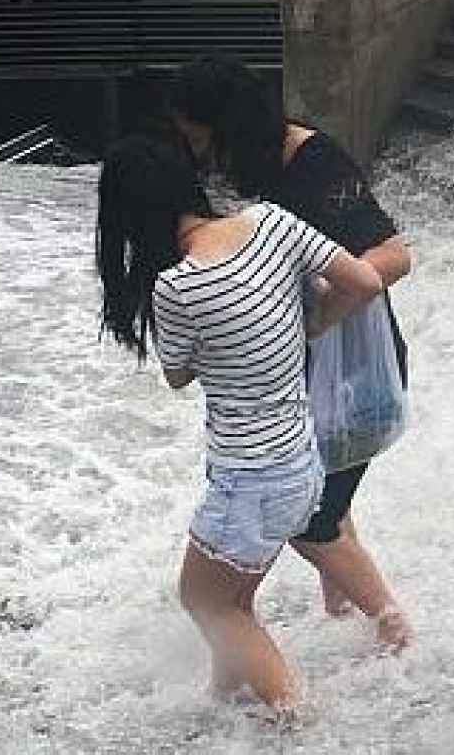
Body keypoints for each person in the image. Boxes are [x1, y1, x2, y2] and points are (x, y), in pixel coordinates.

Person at [96, 135, 382, 718]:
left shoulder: (176, 286)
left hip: (250, 479)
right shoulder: (273, 222)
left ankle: (298, 722)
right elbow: (366, 282)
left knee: (204, 602)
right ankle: (224, 706)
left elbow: (178, 374)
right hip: (300, 463)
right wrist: (311, 324)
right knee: (236, 602)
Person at [171, 56, 416, 651]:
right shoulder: (248, 160)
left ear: (224, 124)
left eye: (197, 135)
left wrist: (319, 313)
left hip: (358, 370)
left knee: (312, 521)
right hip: (306, 375)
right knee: (325, 500)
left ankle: (397, 636)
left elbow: (393, 255)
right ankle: (345, 623)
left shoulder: (312, 160)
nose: (194, 149)